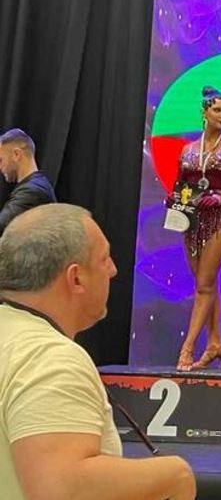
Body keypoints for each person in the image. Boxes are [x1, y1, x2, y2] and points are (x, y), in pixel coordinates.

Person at [0, 204, 196, 500]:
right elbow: (60, 489)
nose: (113, 270)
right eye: (104, 259)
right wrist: (175, 474)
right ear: (76, 278)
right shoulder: (49, 357)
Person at [173, 86, 221, 371]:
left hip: (220, 221)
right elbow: (180, 187)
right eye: (218, 110)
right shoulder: (188, 150)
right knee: (206, 283)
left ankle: (187, 348)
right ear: (204, 113)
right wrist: (173, 200)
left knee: (204, 285)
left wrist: (219, 198)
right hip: (192, 221)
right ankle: (215, 342)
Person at [0, 128, 57, 236]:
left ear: (16, 154)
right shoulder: (35, 185)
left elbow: (2, 227)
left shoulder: (32, 191)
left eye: (1, 160)